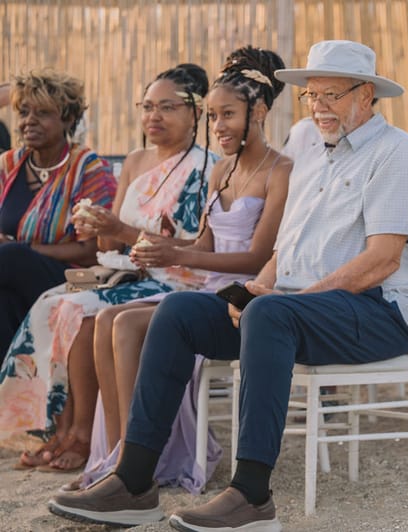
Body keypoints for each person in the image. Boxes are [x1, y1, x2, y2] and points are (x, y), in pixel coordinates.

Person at [48, 39, 408, 530]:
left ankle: (251, 497)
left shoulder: (396, 153)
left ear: (367, 96)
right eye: (312, 96)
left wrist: (288, 303)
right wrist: (255, 291)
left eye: (333, 95)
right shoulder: (312, 156)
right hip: (296, 312)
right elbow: (283, 251)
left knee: (271, 314)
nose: (320, 107)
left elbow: (381, 260)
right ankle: (135, 483)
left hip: (375, 313)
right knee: (179, 312)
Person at [75, 45, 291, 493]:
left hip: (242, 295)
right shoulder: (223, 173)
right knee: (108, 319)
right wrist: (160, 246)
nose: (218, 127)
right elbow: (204, 245)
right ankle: (119, 453)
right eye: (212, 116)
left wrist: (176, 256)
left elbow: (257, 258)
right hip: (207, 285)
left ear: (260, 111)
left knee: (130, 324)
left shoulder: (281, 171)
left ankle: (142, 462)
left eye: (227, 114)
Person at [0, 63, 214, 472]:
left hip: (178, 279)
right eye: (147, 106)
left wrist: (116, 230)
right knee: (54, 304)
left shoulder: (208, 167)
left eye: (167, 107)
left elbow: (200, 248)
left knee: (78, 312)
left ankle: (83, 434)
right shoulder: (134, 161)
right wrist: (98, 226)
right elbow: (106, 246)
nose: (154, 116)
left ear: (194, 113)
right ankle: (59, 431)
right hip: (125, 272)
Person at [0, 71, 116, 358]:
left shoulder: (87, 168)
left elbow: (92, 251)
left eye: (42, 113)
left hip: (76, 278)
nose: (29, 121)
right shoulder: (8, 164)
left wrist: (25, 249)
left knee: (12, 257)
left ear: (67, 118)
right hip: (13, 275)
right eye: (24, 112)